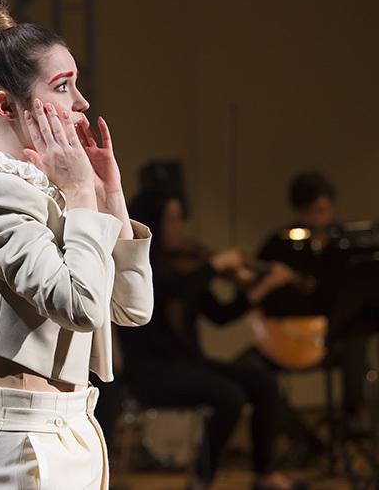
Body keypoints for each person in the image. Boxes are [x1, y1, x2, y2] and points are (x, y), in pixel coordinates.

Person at [0, 0, 153, 489]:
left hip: (75, 427)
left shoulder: (52, 189)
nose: (81, 102)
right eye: (62, 86)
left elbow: (132, 309)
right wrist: (80, 195)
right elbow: (80, 306)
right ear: (7, 106)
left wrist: (110, 195)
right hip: (22, 441)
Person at [117, 188, 307, 490]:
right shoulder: (138, 268)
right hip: (152, 373)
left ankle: (265, 474)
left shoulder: (187, 269)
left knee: (264, 384)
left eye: (180, 219)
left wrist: (262, 288)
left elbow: (220, 315)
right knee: (229, 395)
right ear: (153, 221)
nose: (180, 228)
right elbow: (175, 289)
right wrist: (213, 266)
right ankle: (201, 480)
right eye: (172, 220)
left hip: (190, 365)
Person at [249, 171, 378, 437]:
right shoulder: (281, 244)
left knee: (356, 341)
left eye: (323, 211)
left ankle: (352, 421)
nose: (318, 219)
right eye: (310, 212)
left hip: (331, 338)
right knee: (249, 371)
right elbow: (256, 295)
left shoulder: (345, 244)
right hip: (288, 339)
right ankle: (306, 441)